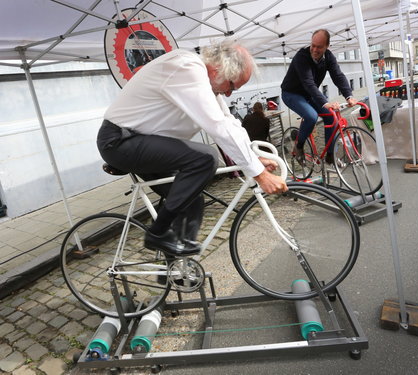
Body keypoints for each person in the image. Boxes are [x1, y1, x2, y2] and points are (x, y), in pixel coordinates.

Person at [97, 39, 288, 257]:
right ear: (219, 69)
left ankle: (176, 266)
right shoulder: (186, 68)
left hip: (145, 142)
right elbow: (216, 125)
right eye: (233, 86)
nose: (229, 94)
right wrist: (260, 175)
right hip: (120, 141)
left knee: (191, 198)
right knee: (205, 157)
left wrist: (254, 157)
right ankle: (157, 234)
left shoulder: (207, 84)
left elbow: (229, 122)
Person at [281, 29, 357, 164]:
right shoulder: (301, 57)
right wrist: (325, 102)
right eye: (313, 45)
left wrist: (348, 96)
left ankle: (330, 155)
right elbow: (308, 83)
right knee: (311, 116)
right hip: (291, 93)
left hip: (309, 94)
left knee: (331, 116)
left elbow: (338, 76)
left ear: (327, 46)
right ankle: (299, 146)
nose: (315, 49)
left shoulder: (328, 57)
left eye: (319, 47)